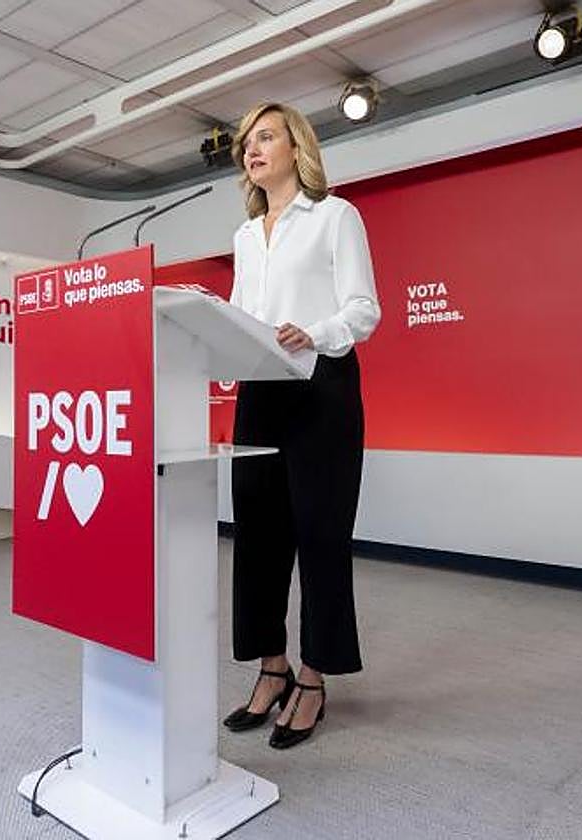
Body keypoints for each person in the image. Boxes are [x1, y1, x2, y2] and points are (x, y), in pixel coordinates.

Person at [221, 102, 381, 749]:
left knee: (320, 538)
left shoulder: (336, 217)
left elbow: (364, 309)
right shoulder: (244, 236)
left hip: (322, 388)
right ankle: (272, 668)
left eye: (265, 137)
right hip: (259, 393)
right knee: (257, 539)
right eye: (246, 142)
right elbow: (240, 315)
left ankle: (313, 679)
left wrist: (312, 332)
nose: (252, 150)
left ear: (297, 147)